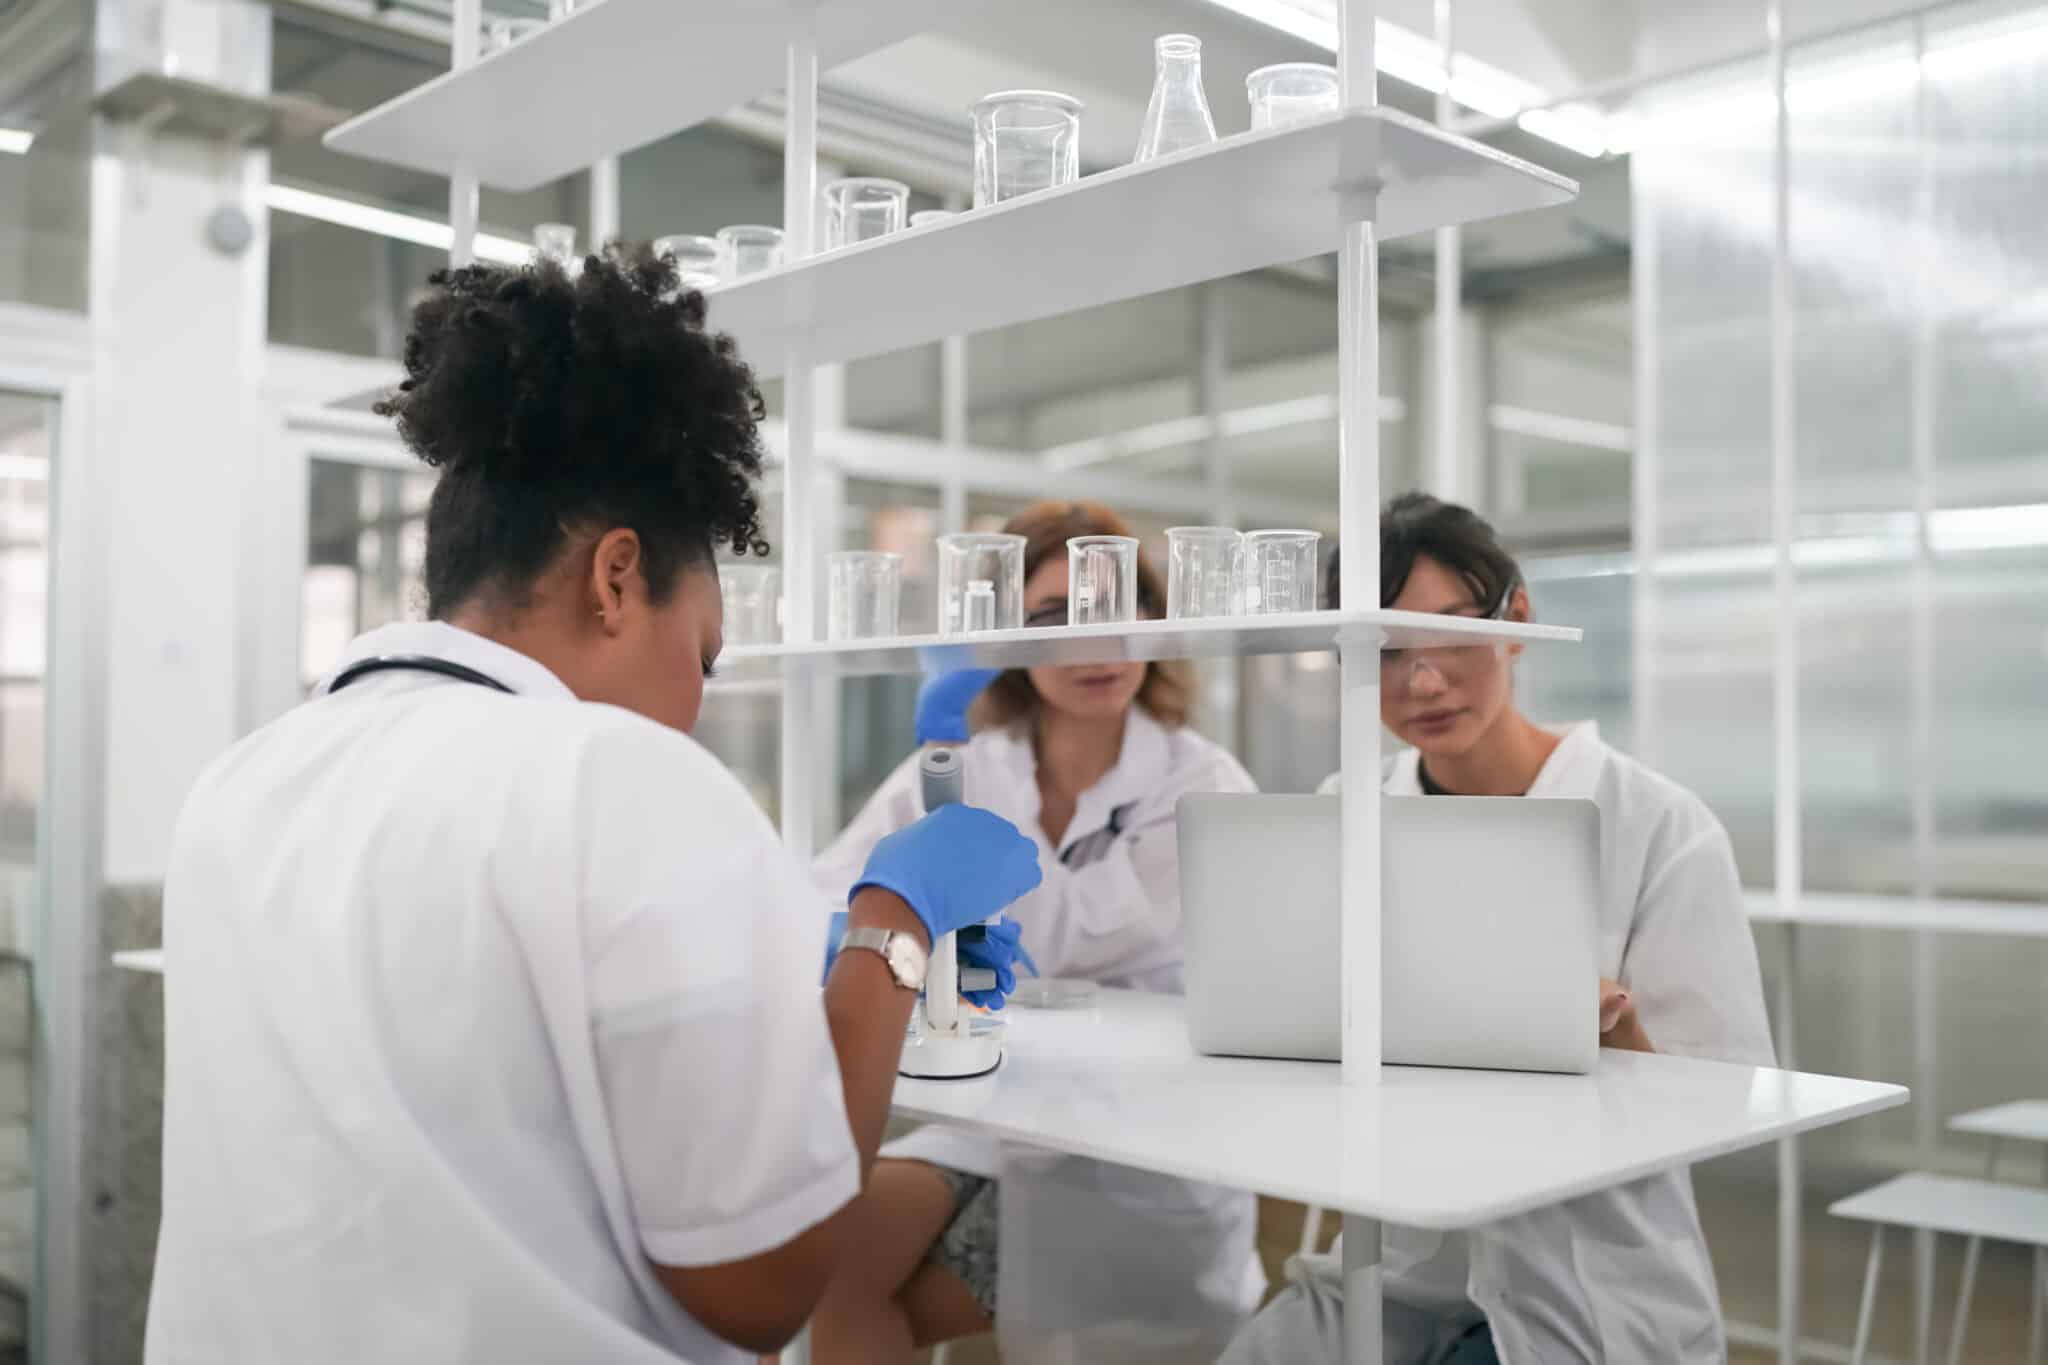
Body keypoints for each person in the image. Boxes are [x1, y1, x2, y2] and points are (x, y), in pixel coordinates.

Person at [146, 247, 1045, 1365]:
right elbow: (763, 1282)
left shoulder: (246, 778)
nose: (695, 702)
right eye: (703, 656)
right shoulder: (618, 774)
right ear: (616, 578)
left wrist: (769, 956)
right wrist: (890, 932)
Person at [1221, 492, 1775, 1365]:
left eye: (1449, 635)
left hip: (1589, 1272)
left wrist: (1621, 1037)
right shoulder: (1345, 808)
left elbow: (1722, 1096)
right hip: (1400, 1260)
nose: (1422, 681)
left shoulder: (1657, 823)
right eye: (1385, 651)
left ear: (1516, 621)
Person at [809, 501, 1266, 1364]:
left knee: (877, 1291)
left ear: (1153, 623)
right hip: (996, 1114)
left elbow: (1067, 935)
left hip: (1140, 1139)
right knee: (834, 1257)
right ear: (1005, 639)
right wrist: (856, 922)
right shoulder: (971, 760)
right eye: (1055, 616)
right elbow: (831, 887)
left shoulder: (1205, 785)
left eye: (1117, 608)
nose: (1093, 642)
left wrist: (940, 842)